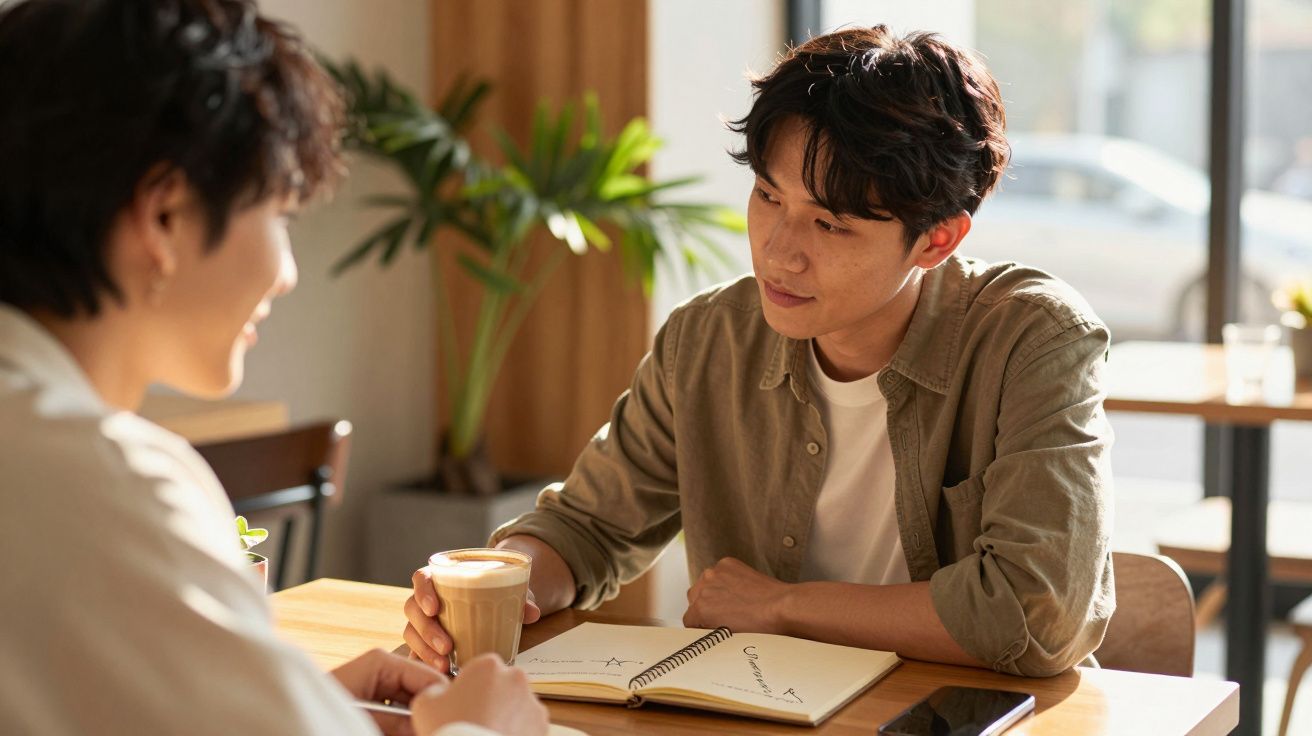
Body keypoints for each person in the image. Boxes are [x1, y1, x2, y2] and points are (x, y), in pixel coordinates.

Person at [404, 26, 1114, 678]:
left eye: (829, 225)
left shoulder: (1034, 340)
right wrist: (505, 578)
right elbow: (586, 528)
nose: (779, 253)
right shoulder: (709, 339)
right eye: (768, 197)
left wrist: (782, 606)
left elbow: (1035, 608)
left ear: (937, 239)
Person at [0, 1, 548, 734]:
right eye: (282, 215)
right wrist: (483, 730)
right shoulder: (114, 485)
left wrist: (293, 701)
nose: (287, 273)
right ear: (164, 217)